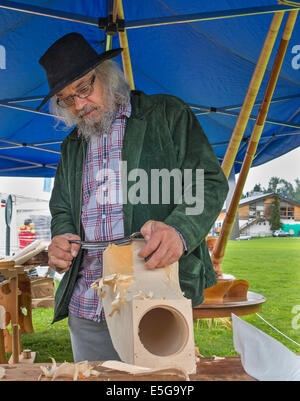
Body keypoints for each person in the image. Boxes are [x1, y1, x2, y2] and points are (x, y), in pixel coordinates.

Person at [39, 32, 229, 362]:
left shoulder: (166, 114)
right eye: (67, 99)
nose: (79, 104)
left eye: (84, 88)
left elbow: (208, 182)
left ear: (108, 75)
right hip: (87, 305)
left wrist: (180, 231)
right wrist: (61, 235)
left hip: (154, 301)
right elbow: (62, 208)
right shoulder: (72, 145)